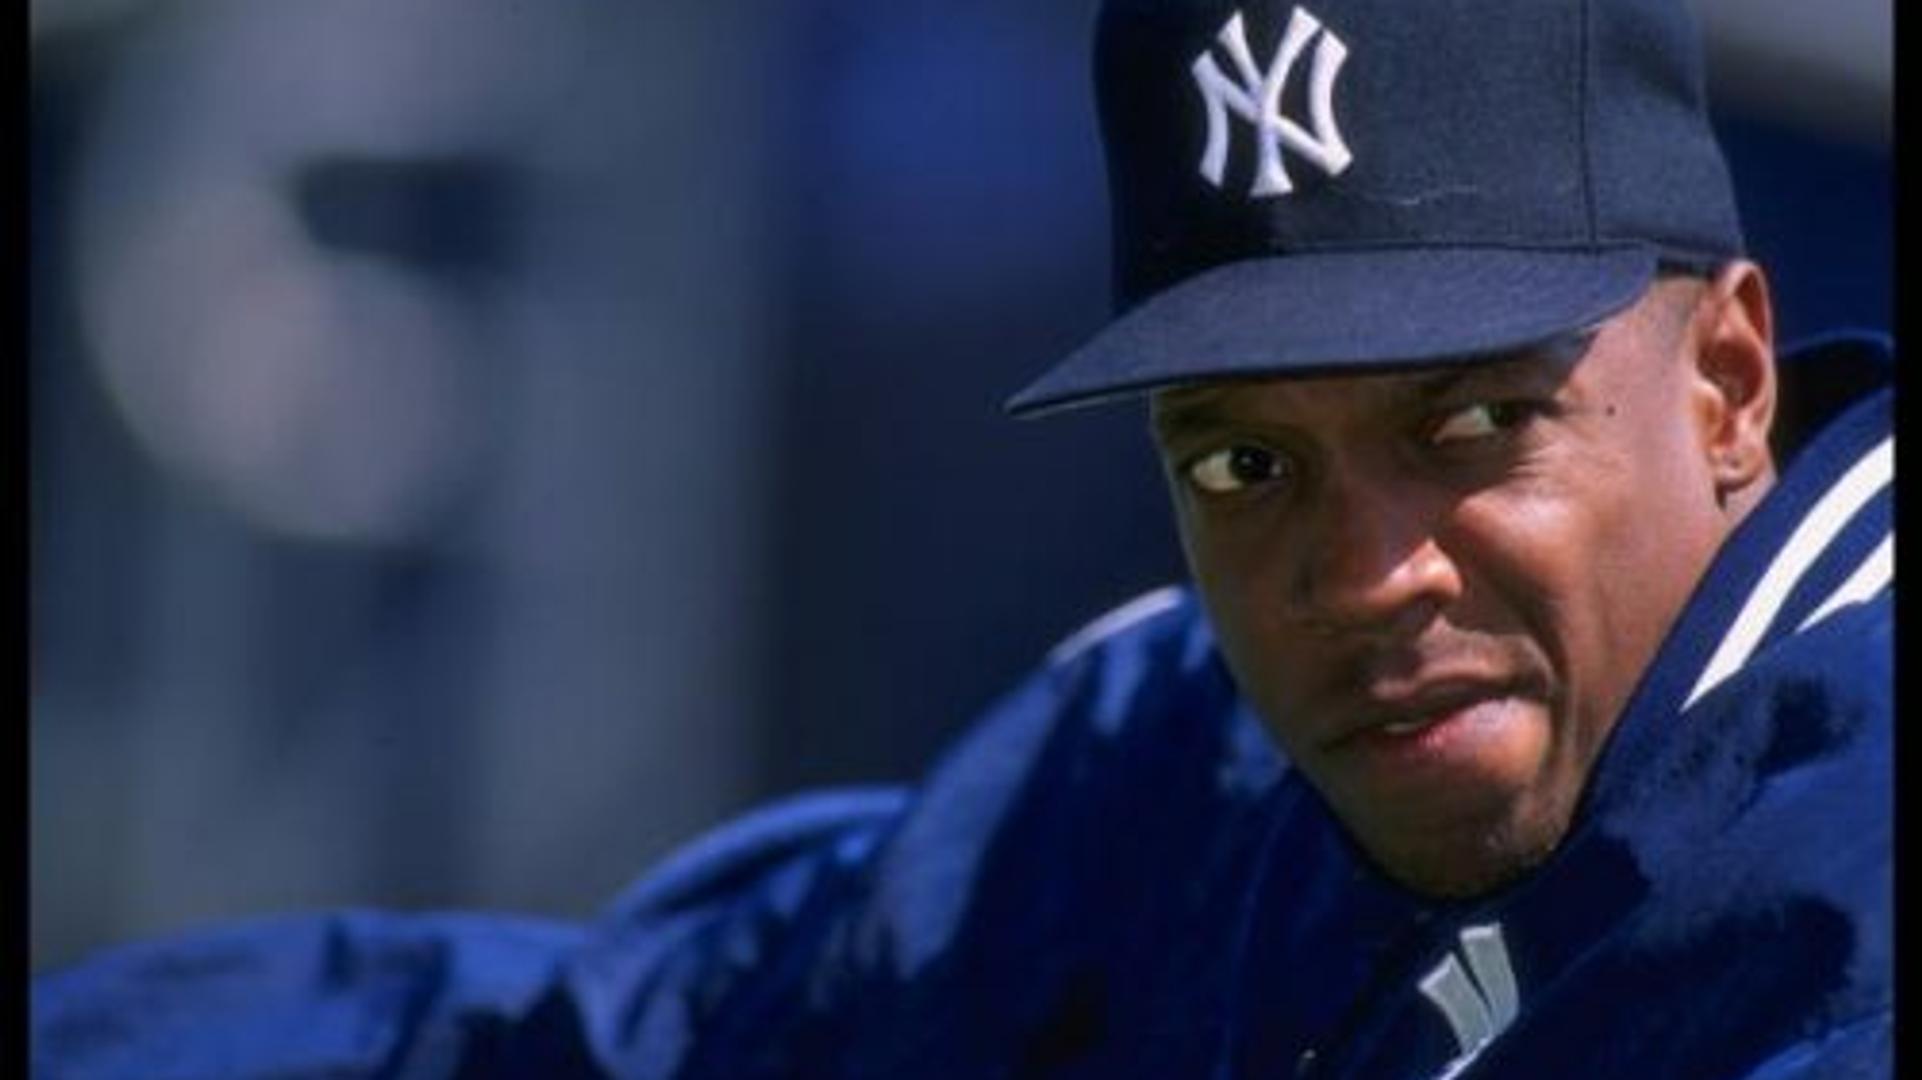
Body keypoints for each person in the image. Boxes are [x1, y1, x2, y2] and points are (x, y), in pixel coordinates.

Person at [33, 0, 1891, 1076]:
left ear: (1727, 379)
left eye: (1470, 421)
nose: (1360, 572)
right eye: (1246, 464)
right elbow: (652, 1033)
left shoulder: (1852, 849)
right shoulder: (1206, 756)